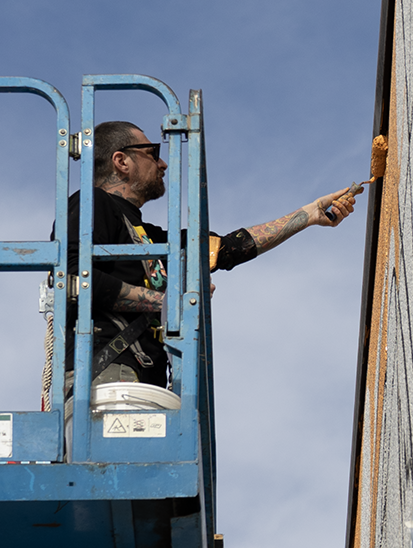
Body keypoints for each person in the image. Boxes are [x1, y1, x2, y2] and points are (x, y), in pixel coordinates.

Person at [66, 119, 356, 388]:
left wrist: (308, 215)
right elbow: (75, 279)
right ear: (121, 161)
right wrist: (173, 304)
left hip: (144, 383)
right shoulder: (93, 204)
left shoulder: (151, 237)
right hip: (106, 374)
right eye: (153, 152)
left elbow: (229, 248)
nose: (164, 163)